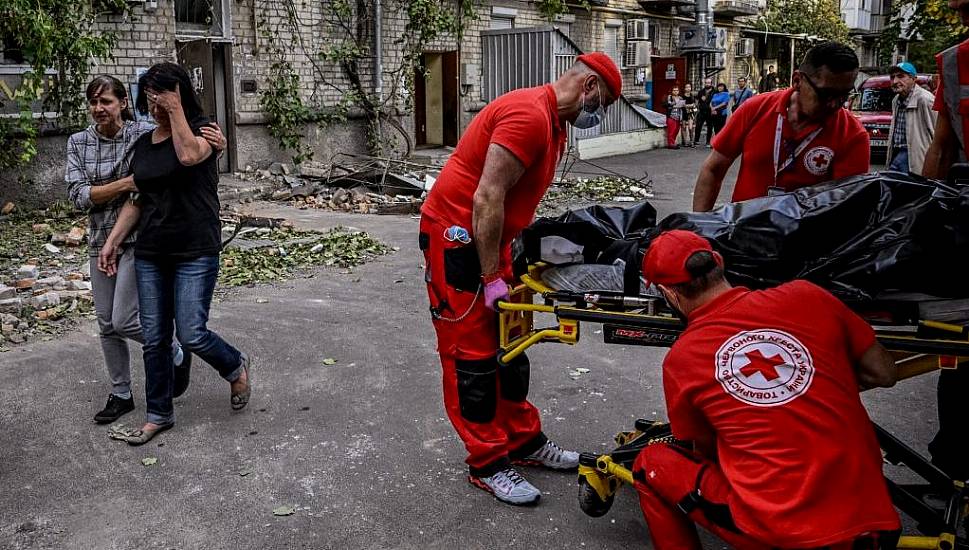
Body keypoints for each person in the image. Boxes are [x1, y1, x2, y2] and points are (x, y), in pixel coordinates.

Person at [418, 52, 621, 506]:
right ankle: (487, 463)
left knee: (511, 345)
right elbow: (487, 196)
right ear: (588, 86)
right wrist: (490, 276)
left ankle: (522, 441)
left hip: (494, 240)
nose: (599, 114)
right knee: (470, 354)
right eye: (602, 103)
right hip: (459, 238)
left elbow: (514, 197)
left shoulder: (555, 126)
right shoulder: (528, 116)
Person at [633, 229, 901, 550]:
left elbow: (705, 452)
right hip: (873, 528)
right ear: (720, 263)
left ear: (670, 294)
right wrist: (820, 384)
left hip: (786, 535)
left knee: (650, 462)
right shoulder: (807, 296)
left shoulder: (683, 358)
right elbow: (885, 372)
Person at [100, 62, 251, 445]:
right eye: (149, 96)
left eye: (162, 94)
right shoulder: (142, 145)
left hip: (195, 249)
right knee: (154, 338)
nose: (155, 103)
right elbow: (138, 199)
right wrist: (113, 240)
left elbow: (186, 157)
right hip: (152, 250)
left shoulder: (205, 133)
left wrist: (177, 109)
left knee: (192, 332)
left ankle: (234, 366)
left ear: (179, 93)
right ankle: (158, 415)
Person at [66, 75, 225, 424]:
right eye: (93, 102)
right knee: (106, 323)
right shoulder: (78, 143)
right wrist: (127, 183)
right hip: (101, 238)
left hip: (141, 238)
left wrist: (218, 144)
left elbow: (181, 154)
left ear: (123, 102)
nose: (98, 108)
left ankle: (175, 352)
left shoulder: (143, 133)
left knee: (124, 318)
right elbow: (78, 196)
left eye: (105, 101)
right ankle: (121, 393)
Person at [692, 42, 869, 212]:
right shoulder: (755, 109)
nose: (835, 104)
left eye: (844, 95)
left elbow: (845, 206)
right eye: (826, 94)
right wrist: (699, 230)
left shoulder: (853, 135)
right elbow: (713, 169)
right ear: (797, 80)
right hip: (743, 234)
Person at [920, 0, 969, 482]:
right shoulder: (954, 62)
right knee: (958, 350)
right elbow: (943, 144)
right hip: (966, 211)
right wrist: (921, 218)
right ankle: (954, 463)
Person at [886, 61, 937, 174]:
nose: (895, 81)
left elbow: (937, 134)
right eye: (892, 77)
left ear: (913, 79)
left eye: (900, 76)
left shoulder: (925, 100)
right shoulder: (896, 100)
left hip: (914, 156)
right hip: (897, 152)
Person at [694, 78, 716, 147]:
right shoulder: (701, 91)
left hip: (710, 111)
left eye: (709, 83)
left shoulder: (715, 91)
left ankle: (708, 142)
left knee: (710, 127)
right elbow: (697, 100)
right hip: (701, 111)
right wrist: (697, 107)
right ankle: (696, 141)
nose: (707, 84)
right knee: (698, 126)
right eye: (706, 83)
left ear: (711, 83)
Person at [680, 83, 698, 147]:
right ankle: (685, 142)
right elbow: (682, 105)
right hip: (684, 113)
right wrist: (690, 105)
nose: (688, 88)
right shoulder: (682, 96)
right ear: (684, 88)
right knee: (684, 127)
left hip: (691, 113)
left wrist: (688, 105)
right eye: (686, 87)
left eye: (689, 87)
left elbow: (695, 105)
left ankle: (692, 142)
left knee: (690, 128)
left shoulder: (692, 96)